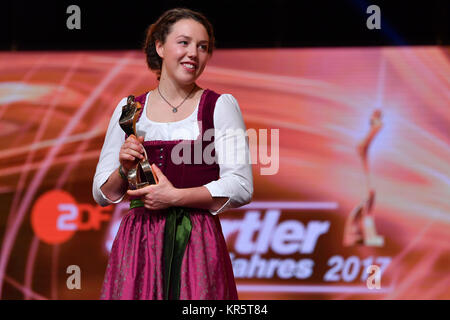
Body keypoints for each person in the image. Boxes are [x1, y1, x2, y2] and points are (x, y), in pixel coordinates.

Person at [92, 8, 253, 300]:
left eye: (203, 47)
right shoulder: (130, 110)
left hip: (195, 240)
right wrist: (123, 167)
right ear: (159, 47)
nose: (194, 53)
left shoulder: (219, 106)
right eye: (184, 42)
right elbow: (103, 194)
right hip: (138, 242)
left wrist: (176, 197)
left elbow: (241, 186)